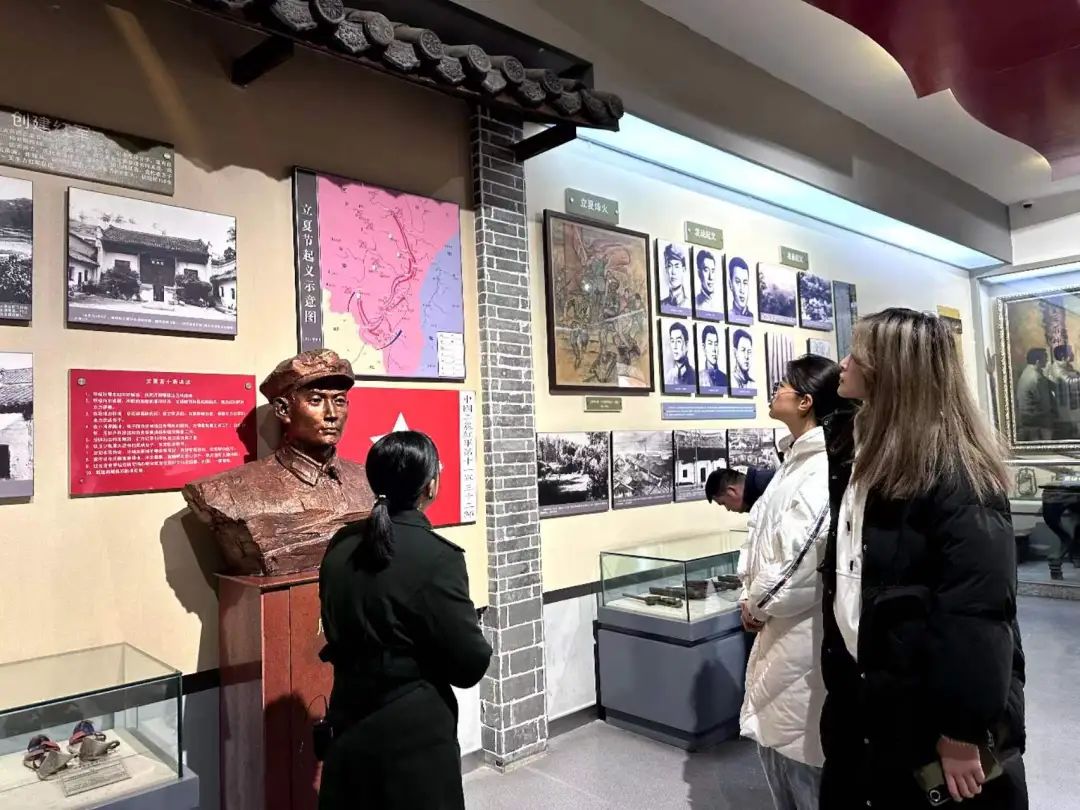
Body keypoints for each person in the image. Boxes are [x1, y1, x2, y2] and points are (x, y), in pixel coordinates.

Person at [821, 309, 1027, 809]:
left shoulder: (958, 475)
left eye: (856, 355)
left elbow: (976, 612)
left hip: (933, 720)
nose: (842, 363)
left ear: (891, 371)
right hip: (877, 702)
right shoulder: (865, 454)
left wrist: (961, 731)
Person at [318, 431, 492, 810]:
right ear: (430, 485)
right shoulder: (438, 558)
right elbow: (469, 665)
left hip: (348, 716)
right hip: (412, 735)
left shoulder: (341, 543)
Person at [738, 355, 842, 810]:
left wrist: (757, 604)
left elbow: (802, 557)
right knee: (780, 751)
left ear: (805, 401)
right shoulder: (793, 462)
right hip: (777, 632)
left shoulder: (821, 467)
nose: (774, 390)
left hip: (802, 635)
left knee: (804, 759)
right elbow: (759, 539)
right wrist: (748, 594)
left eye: (783, 384)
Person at [1015, 347, 1055, 441]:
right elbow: (1046, 405)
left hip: (1025, 418)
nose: (1047, 361)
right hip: (1036, 421)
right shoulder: (1037, 378)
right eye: (1045, 358)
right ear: (1038, 361)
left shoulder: (1027, 372)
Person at [705, 466, 776, 513]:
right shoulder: (758, 495)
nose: (728, 509)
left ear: (731, 491)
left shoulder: (771, 488)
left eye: (724, 503)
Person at [665, 321, 696, 385]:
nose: (675, 346)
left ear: (686, 345)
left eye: (678, 341)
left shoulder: (694, 375)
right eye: (672, 341)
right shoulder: (668, 377)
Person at [661, 243, 690, 310]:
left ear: (683, 269)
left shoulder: (689, 305)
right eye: (670, 266)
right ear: (666, 270)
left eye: (677, 266)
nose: (673, 272)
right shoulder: (662, 304)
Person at [698, 324, 728, 389]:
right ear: (704, 347)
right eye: (710, 344)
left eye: (716, 344)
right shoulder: (698, 377)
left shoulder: (725, 378)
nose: (714, 349)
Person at [695, 249, 722, 314]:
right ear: (699, 273)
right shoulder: (695, 303)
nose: (711, 277)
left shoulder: (720, 304)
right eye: (706, 270)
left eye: (713, 271)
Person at [727, 256, 753, 322]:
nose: (742, 290)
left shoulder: (751, 316)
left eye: (745, 283)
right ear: (730, 284)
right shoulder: (729, 314)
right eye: (738, 282)